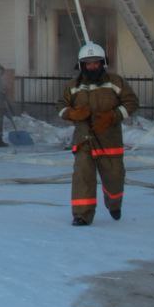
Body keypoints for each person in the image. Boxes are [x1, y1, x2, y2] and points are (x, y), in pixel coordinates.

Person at [57, 42, 139, 226]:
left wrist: (113, 116)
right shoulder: (72, 86)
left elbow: (131, 103)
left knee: (114, 177)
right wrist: (71, 113)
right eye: (88, 63)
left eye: (96, 62)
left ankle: (114, 203)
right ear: (81, 65)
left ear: (103, 63)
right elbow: (60, 106)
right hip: (84, 140)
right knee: (82, 177)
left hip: (109, 140)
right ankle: (82, 215)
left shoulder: (116, 82)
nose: (92, 66)